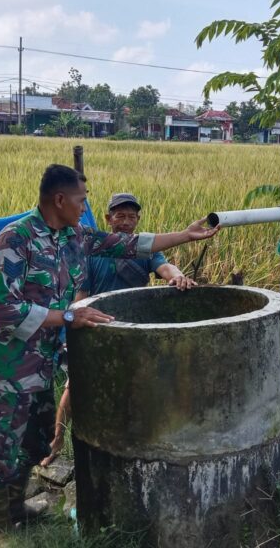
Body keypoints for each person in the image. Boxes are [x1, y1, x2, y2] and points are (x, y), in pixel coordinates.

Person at [0, 164, 218, 541]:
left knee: (31, 442)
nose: (84, 206)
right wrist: (70, 315)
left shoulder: (74, 237)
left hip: (39, 365)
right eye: (81, 200)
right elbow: (3, 312)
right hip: (5, 366)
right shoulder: (15, 240)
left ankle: (16, 511)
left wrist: (185, 235)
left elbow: (129, 245)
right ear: (59, 199)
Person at [41, 192, 196, 467]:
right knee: (74, 386)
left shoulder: (144, 249)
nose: (126, 222)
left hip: (138, 332)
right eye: (120, 216)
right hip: (99, 328)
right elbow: (82, 296)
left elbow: (165, 266)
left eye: (131, 217)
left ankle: (146, 439)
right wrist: (73, 330)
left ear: (138, 220)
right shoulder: (94, 249)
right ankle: (56, 439)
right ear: (108, 219)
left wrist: (177, 276)